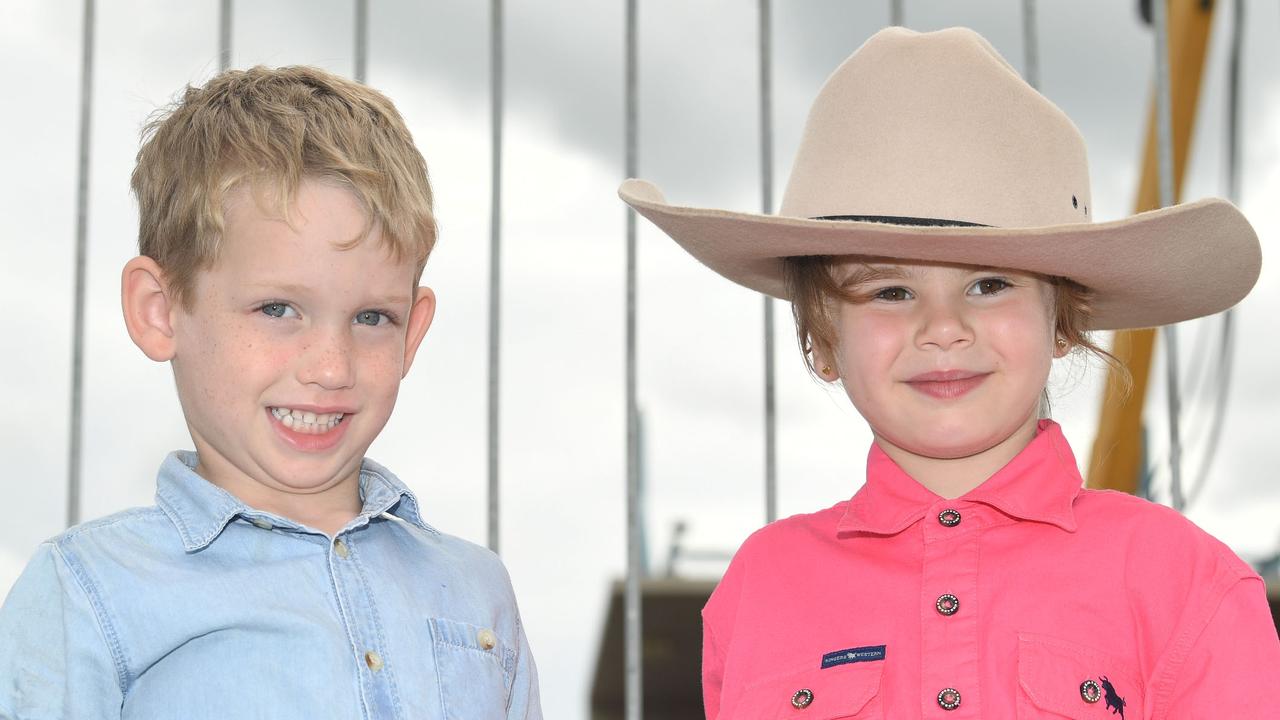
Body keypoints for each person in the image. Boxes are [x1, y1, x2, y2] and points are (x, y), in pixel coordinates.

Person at [620, 26, 1280, 718]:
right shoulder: (759, 588)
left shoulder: (1185, 582)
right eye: (889, 292)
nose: (942, 328)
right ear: (821, 338)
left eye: (991, 284)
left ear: (1062, 322)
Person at [0, 66, 540, 719]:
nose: (331, 366)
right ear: (160, 310)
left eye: (372, 318)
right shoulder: (87, 593)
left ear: (413, 330)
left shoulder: (479, 594)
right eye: (279, 309)